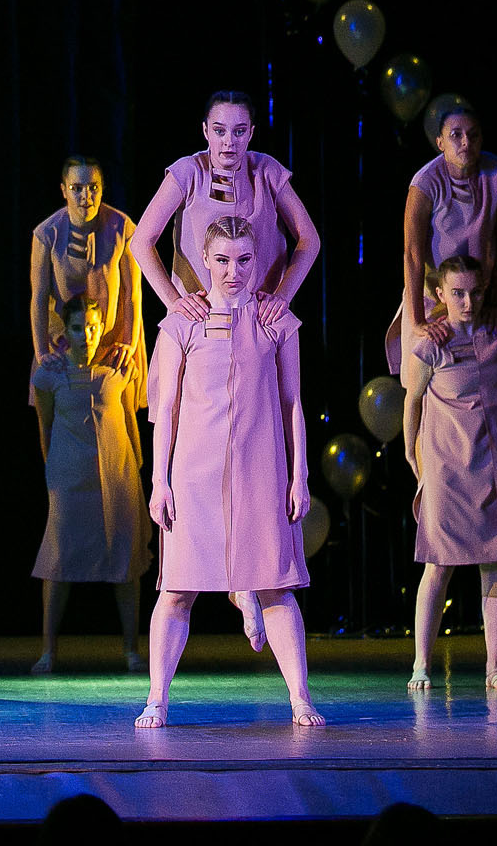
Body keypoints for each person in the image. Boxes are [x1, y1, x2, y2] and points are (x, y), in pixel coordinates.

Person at [136, 217, 321, 727]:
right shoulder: (181, 324)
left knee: (276, 586)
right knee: (177, 590)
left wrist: (299, 475)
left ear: (257, 260)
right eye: (222, 260)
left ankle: (300, 697)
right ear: (204, 260)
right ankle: (156, 698)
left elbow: (292, 403)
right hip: (195, 475)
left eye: (243, 260)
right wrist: (159, 481)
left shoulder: (277, 321)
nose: (233, 271)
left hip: (261, 471)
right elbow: (165, 409)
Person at [403, 256, 497, 691]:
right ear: (441, 294)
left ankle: (493, 667)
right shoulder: (431, 344)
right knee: (438, 564)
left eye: (475, 292)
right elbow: (412, 401)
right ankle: (421, 664)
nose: (468, 302)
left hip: (494, 465)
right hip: (448, 466)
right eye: (458, 293)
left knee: (495, 562)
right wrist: (412, 455)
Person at [29, 298, 149, 674]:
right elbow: (45, 424)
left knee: (124, 560)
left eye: (94, 327)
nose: (88, 335)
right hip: (70, 477)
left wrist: (138, 470)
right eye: (79, 328)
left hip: (116, 475)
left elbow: (128, 419)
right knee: (59, 558)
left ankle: (131, 649)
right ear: (66, 331)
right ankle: (48, 651)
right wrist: (53, 470)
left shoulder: (118, 369)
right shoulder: (50, 374)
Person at [132, 91, 319, 329]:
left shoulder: (266, 171)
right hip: (199, 322)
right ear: (205, 131)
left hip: (260, 321)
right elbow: (140, 241)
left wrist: (282, 297)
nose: (229, 141)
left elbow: (309, 238)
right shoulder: (189, 172)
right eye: (219, 131)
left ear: (251, 133)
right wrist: (174, 301)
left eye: (239, 131)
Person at [387, 102, 497, 376]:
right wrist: (418, 320)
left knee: (485, 374)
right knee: (426, 375)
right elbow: (412, 254)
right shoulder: (425, 182)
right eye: (456, 135)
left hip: (479, 297)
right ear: (440, 142)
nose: (466, 142)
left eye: (473, 135)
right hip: (434, 295)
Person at [29, 155, 148, 412]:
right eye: (77, 188)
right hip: (64, 345)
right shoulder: (47, 234)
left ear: (102, 188)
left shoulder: (122, 228)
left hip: (113, 344)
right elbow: (38, 297)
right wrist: (42, 352)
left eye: (93, 187)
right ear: (64, 190)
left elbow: (133, 293)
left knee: (116, 419)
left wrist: (129, 343)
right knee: (65, 418)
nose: (86, 196)